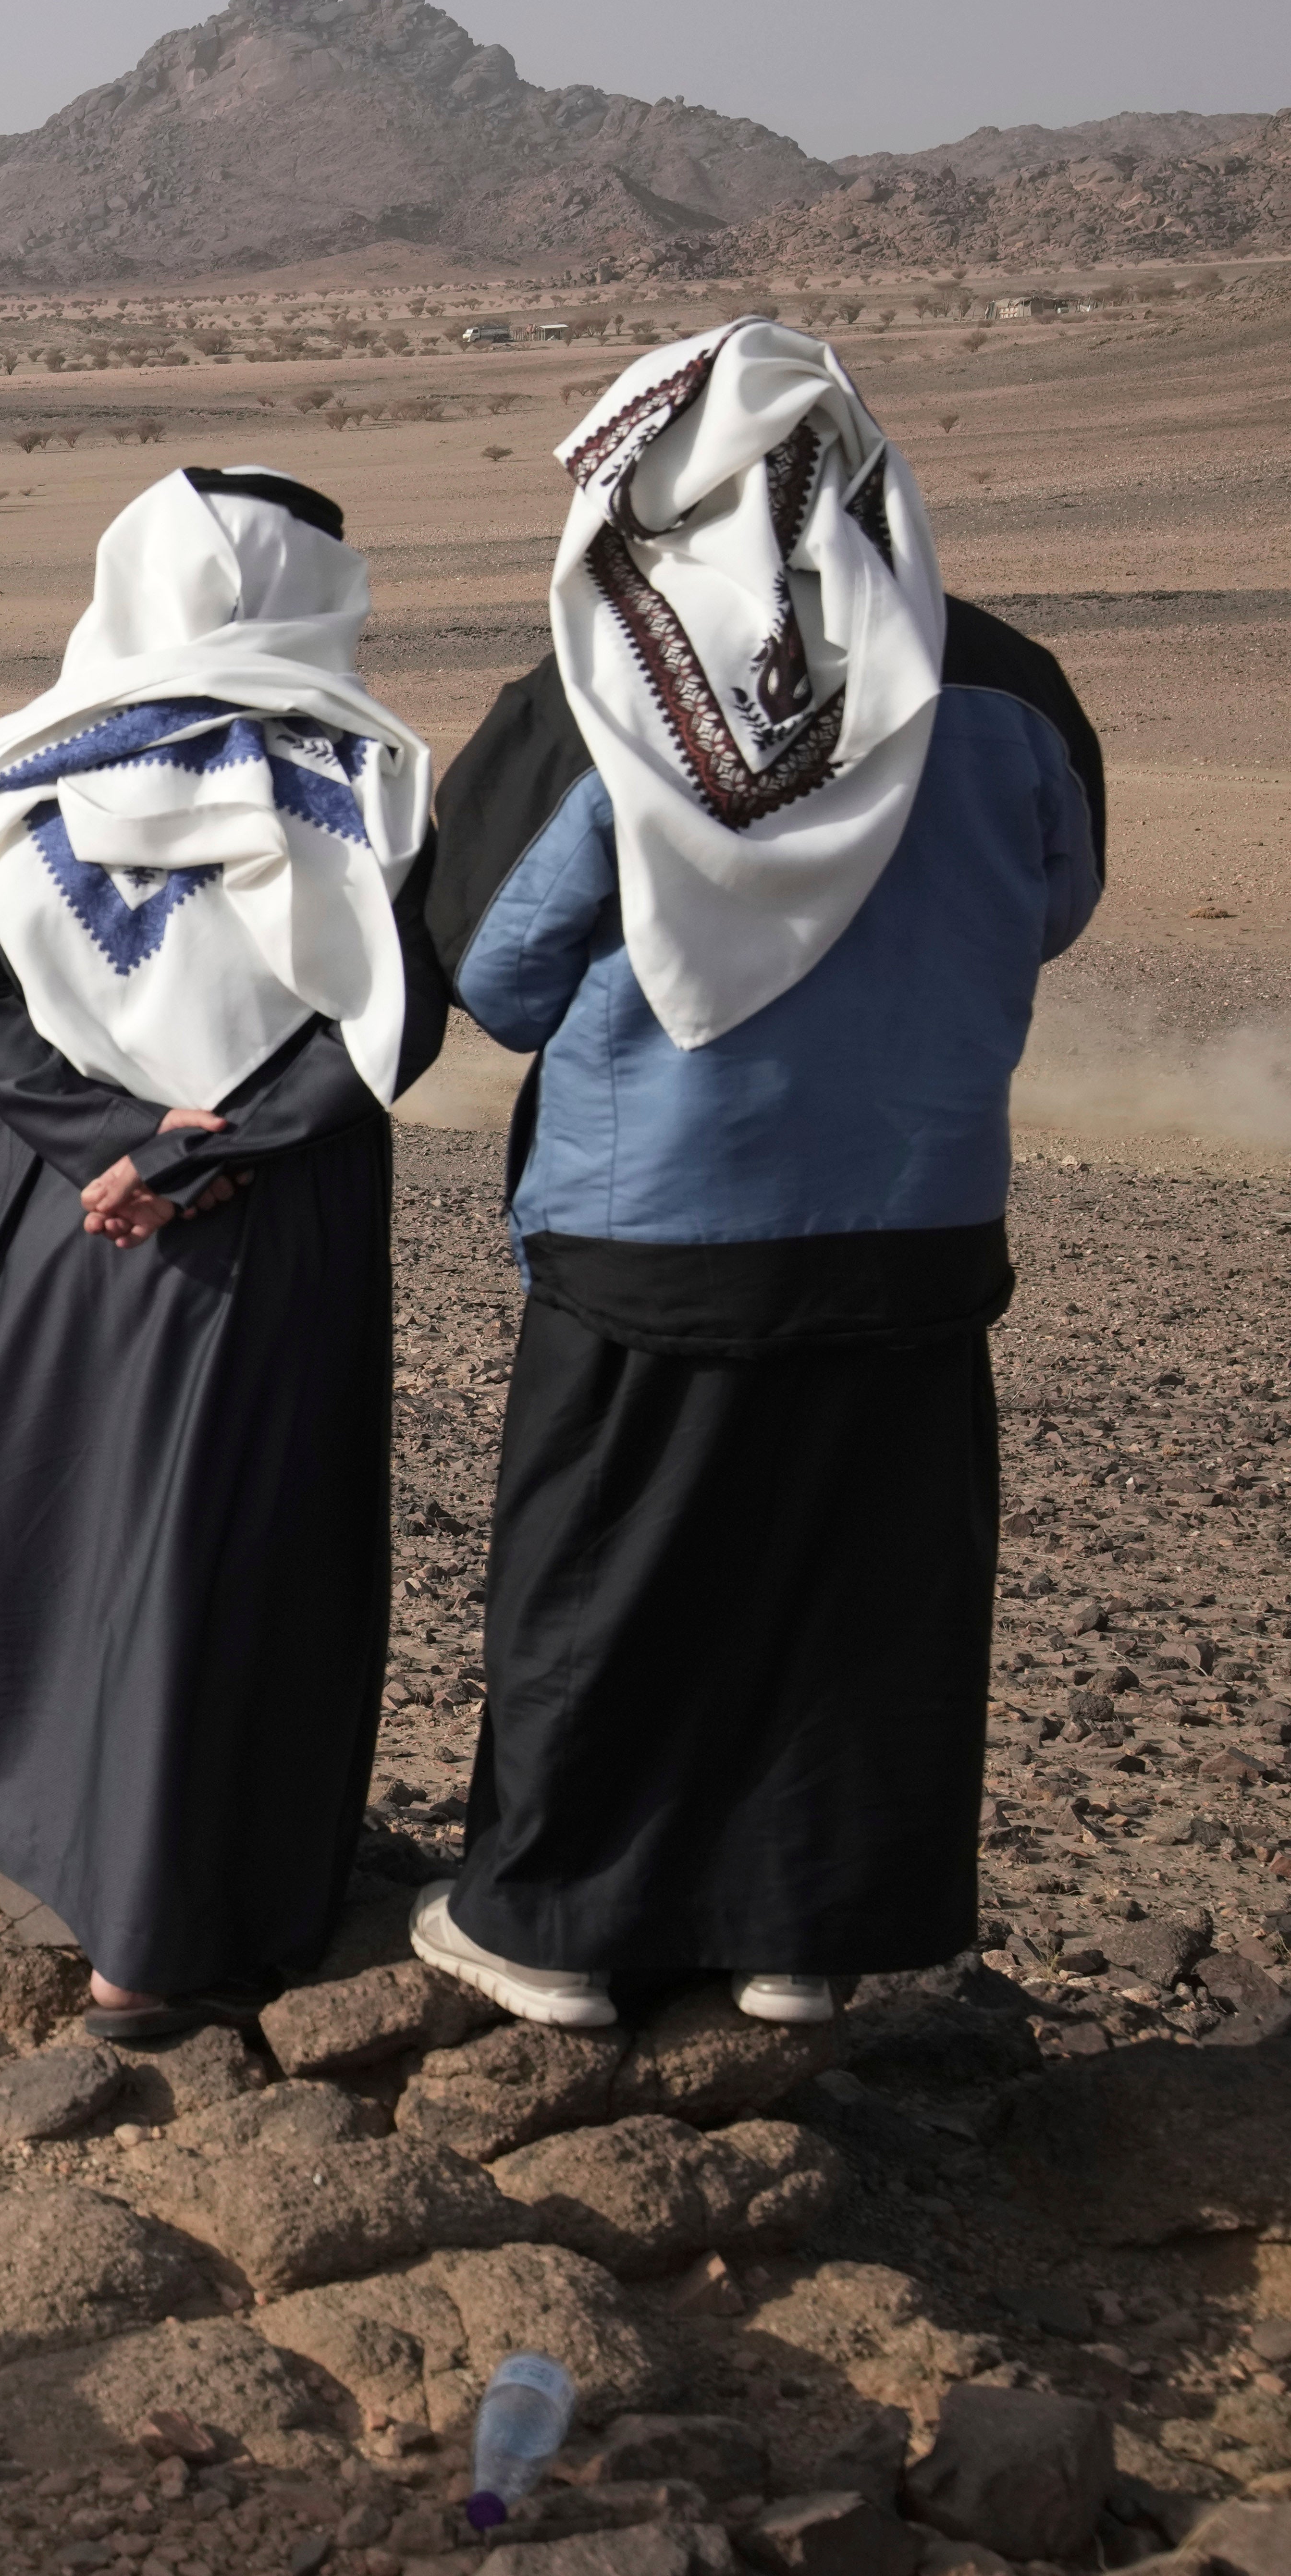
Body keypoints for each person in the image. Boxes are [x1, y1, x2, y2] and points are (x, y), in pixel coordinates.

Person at [414, 318, 1101, 2032]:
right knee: (860, 1582)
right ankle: (804, 1935)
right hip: (919, 1221)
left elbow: (487, 963)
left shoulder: (595, 687)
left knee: (610, 1568)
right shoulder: (1002, 677)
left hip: (658, 1224)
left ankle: (558, 1926)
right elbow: (1060, 897)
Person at [0, 466, 442, 2041]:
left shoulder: (25, 772)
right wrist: (208, 1151)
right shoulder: (371, 791)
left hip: (68, 1199)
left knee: (12, 1475)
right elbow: (397, 1022)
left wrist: (113, 1149)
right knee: (225, 1549)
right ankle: (153, 1937)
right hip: (277, 1219)